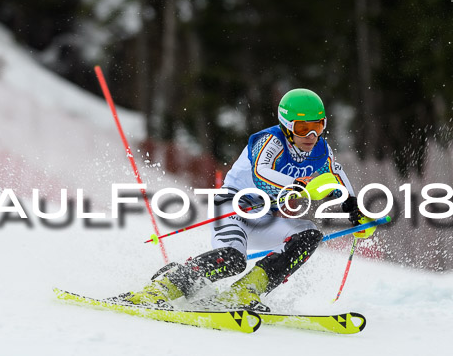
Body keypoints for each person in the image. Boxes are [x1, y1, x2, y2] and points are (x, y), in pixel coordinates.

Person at [120, 89, 375, 311]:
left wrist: (353, 207)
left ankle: (245, 292)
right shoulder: (269, 141)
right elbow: (261, 172)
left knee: (308, 236)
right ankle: (165, 287)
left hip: (264, 217)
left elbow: (336, 174)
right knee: (232, 260)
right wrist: (296, 185)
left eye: (317, 126)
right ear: (286, 125)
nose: (311, 135)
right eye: (302, 128)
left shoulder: (320, 149)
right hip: (233, 207)